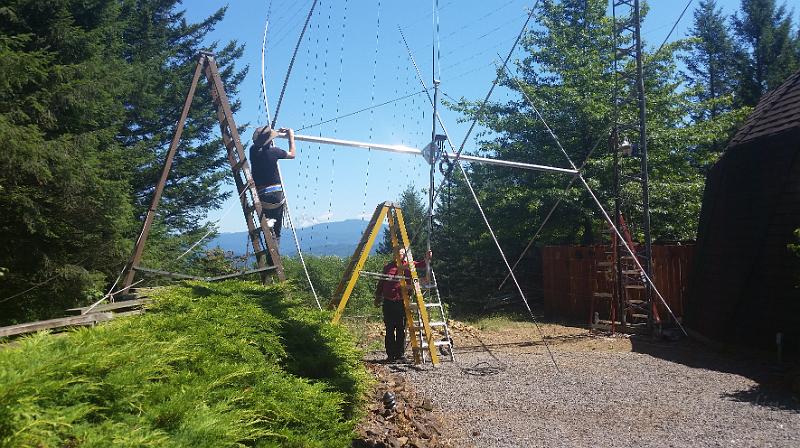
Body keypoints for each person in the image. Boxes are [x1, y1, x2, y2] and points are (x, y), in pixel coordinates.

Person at [374, 248, 431, 362]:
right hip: (388, 301)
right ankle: (390, 355)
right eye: (396, 253)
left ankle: (400, 355)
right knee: (389, 329)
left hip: (402, 301)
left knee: (400, 329)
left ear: (404, 255)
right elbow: (381, 282)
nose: (397, 255)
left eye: (399, 254)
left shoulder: (409, 265)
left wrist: (428, 256)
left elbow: (422, 264)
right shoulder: (388, 267)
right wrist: (378, 297)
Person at [249, 126, 296, 239]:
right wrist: (291, 136)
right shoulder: (274, 152)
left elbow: (262, 145)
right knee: (276, 233)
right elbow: (292, 154)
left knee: (268, 230)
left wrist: (275, 134)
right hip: (276, 194)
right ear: (270, 140)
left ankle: (270, 228)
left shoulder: (252, 151)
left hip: (261, 195)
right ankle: (275, 247)